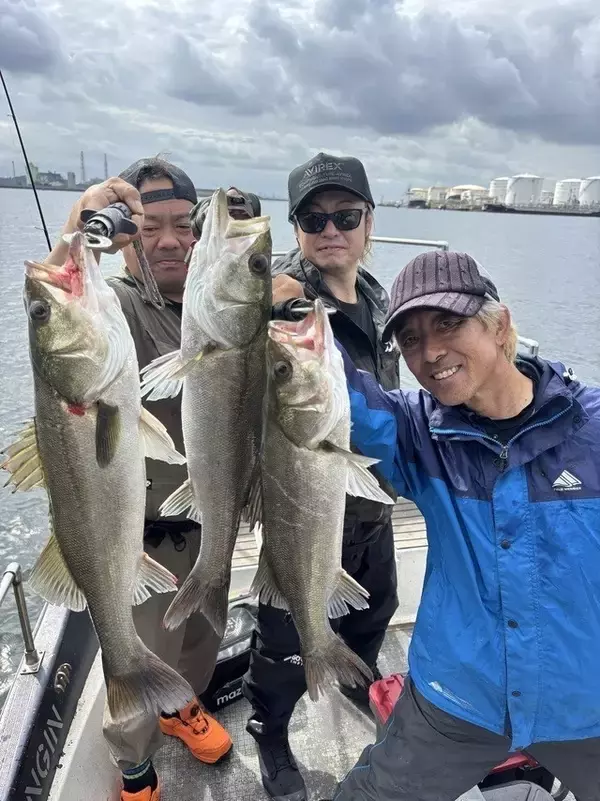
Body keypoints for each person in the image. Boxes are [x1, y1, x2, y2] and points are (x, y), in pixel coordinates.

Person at [303, 249, 600, 801]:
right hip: (459, 697)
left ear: (501, 324)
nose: (431, 351)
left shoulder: (594, 428)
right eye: (410, 339)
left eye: (448, 323)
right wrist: (287, 309)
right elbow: (329, 388)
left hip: (586, 702)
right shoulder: (417, 434)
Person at [45, 160, 262, 801]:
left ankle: (182, 706)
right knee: (129, 662)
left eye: (184, 226)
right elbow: (61, 308)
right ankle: (135, 765)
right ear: (131, 237)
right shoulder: (115, 308)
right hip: (134, 536)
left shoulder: (218, 304)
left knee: (201, 637)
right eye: (151, 227)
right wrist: (77, 230)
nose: (169, 240)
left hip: (209, 518)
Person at [242, 152, 400, 801]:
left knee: (374, 613)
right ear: (296, 228)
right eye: (313, 218)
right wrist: (264, 305)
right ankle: (270, 727)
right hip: (299, 510)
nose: (329, 228)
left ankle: (354, 673)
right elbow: (237, 314)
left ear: (368, 223)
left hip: (369, 509)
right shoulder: (283, 299)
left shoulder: (378, 298)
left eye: (345, 214)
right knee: (283, 640)